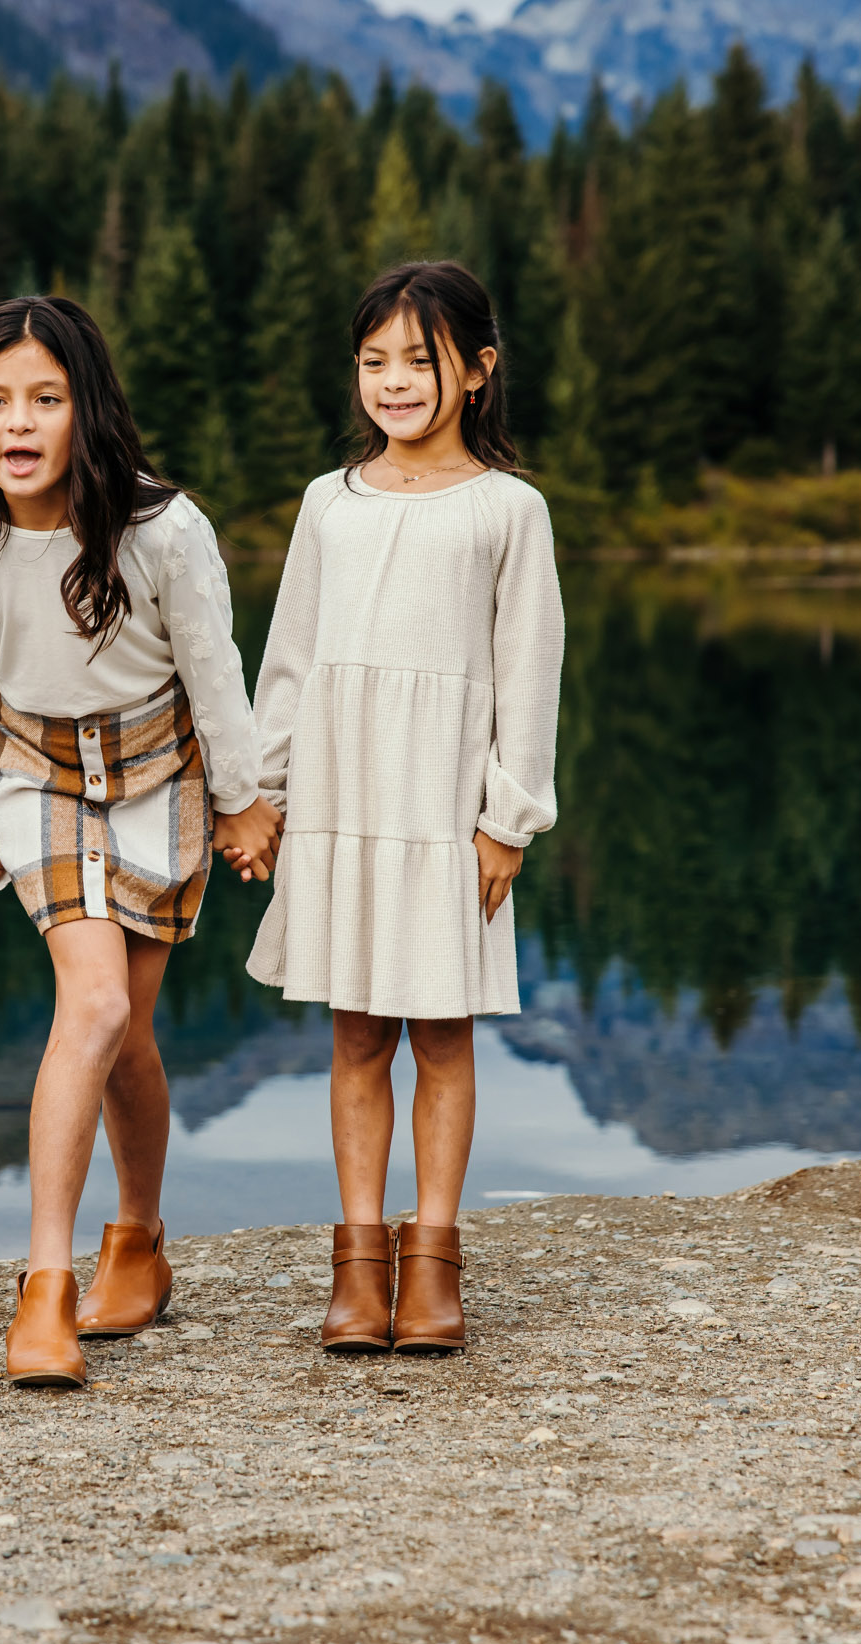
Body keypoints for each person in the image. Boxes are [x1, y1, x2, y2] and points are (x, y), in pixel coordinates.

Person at [0, 296, 281, 1389]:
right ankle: (44, 1287)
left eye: (45, 400)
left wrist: (243, 798)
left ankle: (139, 1239)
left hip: (163, 774)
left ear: (88, 411)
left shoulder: (161, 527)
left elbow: (215, 669)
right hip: (37, 777)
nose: (18, 423)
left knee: (134, 1032)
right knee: (97, 1003)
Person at [246, 260, 564, 1356]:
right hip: (341, 797)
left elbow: (530, 672)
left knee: (440, 1034)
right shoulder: (327, 504)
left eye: (417, 361)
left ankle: (432, 1260)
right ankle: (358, 1262)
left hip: (442, 806)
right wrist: (267, 795)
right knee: (353, 1035)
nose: (391, 381)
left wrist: (505, 819)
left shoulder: (508, 509)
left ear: (475, 371)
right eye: (373, 360)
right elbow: (286, 665)